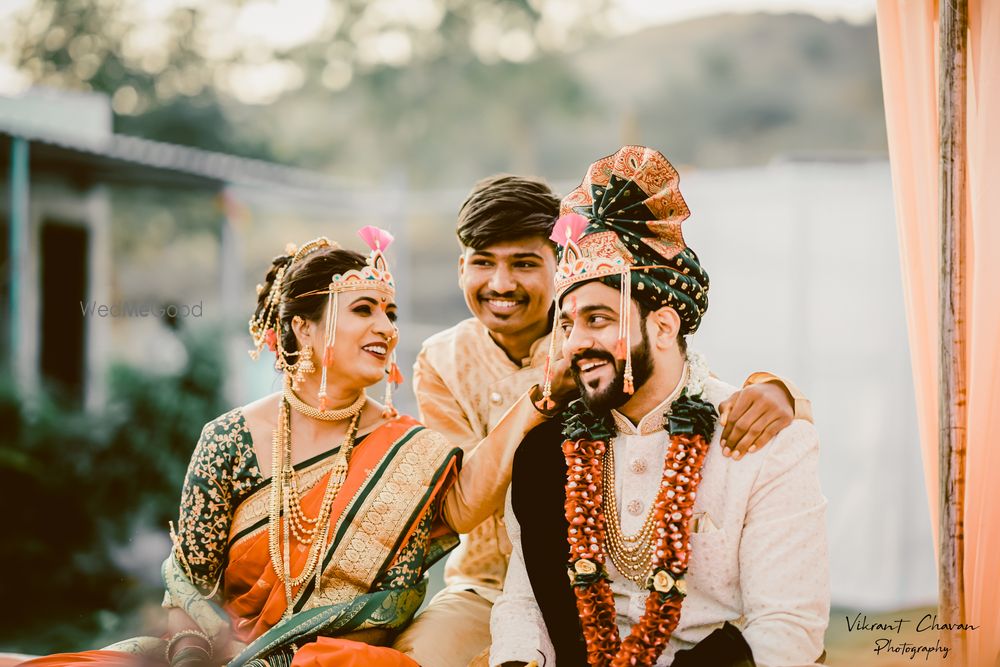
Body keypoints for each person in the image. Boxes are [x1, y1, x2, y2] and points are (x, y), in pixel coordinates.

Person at [20, 228, 539, 667]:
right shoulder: (229, 439)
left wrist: (539, 399)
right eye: (365, 310)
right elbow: (187, 592)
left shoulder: (409, 449)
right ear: (302, 327)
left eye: (391, 313)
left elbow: (466, 502)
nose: (386, 327)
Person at [393, 175, 815, 667]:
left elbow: (686, 394)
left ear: (557, 267)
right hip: (492, 584)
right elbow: (460, 507)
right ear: (461, 267)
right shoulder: (443, 358)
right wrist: (537, 402)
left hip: (619, 586)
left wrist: (783, 392)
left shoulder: (608, 329)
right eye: (483, 263)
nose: (501, 284)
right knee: (417, 658)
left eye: (525, 264)